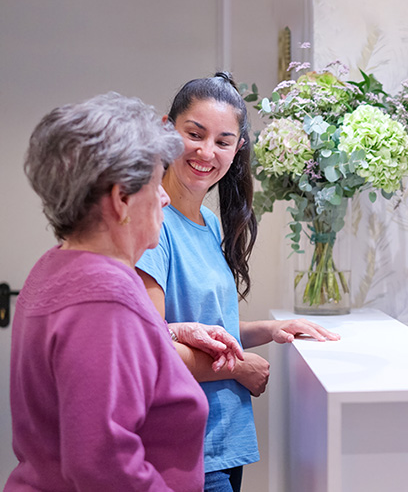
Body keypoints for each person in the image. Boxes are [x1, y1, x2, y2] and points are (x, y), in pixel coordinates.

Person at [7, 92, 244, 491]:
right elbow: (103, 463)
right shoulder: (103, 297)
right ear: (121, 200)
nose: (165, 196)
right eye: (155, 181)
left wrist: (168, 332)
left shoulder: (57, 265)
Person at [135, 73, 340, 492]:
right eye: (194, 133)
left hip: (228, 439)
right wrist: (240, 366)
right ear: (165, 129)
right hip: (186, 449)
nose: (206, 151)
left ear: (238, 147)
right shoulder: (152, 226)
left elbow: (203, 325)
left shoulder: (208, 223)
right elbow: (151, 350)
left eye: (223, 141)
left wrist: (270, 330)